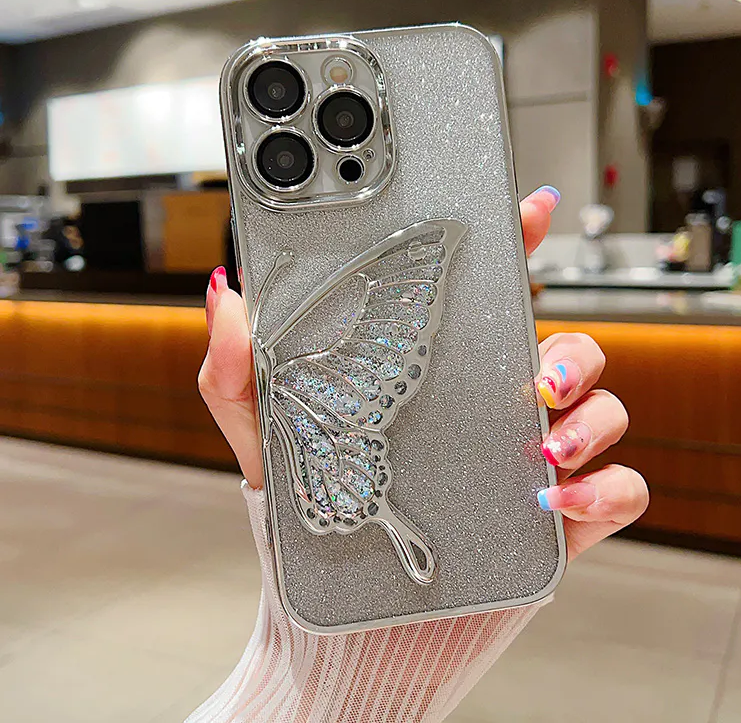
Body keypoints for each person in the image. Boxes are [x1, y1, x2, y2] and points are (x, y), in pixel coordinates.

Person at [191, 187, 649, 723]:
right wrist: (336, 688)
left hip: (344, 458)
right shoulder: (294, 363)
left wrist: (355, 694)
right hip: (339, 460)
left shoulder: (306, 355)